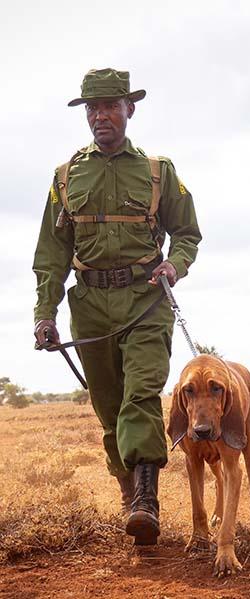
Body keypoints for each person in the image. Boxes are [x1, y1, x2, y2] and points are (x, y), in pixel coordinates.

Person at [32, 68, 201, 546]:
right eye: (92, 107)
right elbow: (51, 254)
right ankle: (130, 495)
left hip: (146, 300)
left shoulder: (158, 172)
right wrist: (45, 314)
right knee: (110, 411)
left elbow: (187, 234)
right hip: (88, 307)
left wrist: (175, 266)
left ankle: (148, 501)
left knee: (141, 395)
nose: (101, 115)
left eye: (110, 105)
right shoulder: (66, 176)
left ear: (130, 108)